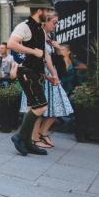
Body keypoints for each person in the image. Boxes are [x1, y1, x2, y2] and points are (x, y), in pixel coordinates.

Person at [8, 0, 58, 156]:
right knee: (41, 106)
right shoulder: (25, 26)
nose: (48, 13)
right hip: (26, 72)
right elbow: (11, 44)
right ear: (39, 10)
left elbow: (43, 57)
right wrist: (33, 51)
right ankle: (20, 137)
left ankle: (28, 142)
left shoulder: (40, 29)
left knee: (32, 107)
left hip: (36, 73)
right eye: (46, 10)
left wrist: (49, 76)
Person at [19, 12, 73, 149]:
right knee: (39, 108)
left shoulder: (48, 36)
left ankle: (42, 133)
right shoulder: (37, 35)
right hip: (38, 74)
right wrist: (52, 74)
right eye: (54, 22)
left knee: (59, 106)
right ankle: (34, 137)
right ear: (45, 21)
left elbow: (52, 59)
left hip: (47, 74)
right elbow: (42, 58)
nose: (55, 25)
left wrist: (57, 50)